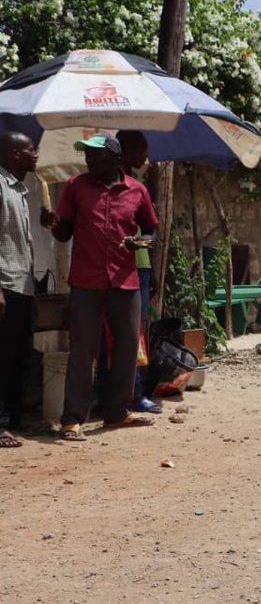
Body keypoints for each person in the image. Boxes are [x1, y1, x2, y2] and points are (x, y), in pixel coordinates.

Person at [46, 134, 158, 440]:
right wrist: (54, 223)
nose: (89, 160)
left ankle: (117, 412)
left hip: (125, 281)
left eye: (95, 155)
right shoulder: (76, 187)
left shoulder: (137, 190)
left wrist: (140, 242)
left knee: (125, 349)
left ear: (115, 158)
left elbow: (151, 230)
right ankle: (72, 419)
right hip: (86, 281)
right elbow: (64, 234)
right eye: (87, 155)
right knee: (82, 349)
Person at [95, 130, 160, 414]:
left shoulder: (138, 185)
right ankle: (125, 392)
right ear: (125, 151)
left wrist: (147, 258)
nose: (146, 156)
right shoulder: (107, 184)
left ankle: (129, 390)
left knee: (134, 334)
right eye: (142, 150)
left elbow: (150, 232)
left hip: (140, 266)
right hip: (115, 271)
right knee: (120, 334)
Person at [0, 131, 51, 449]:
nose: (36, 154)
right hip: (6, 284)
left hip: (23, 283)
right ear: (15, 154)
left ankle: (14, 418)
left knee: (19, 356)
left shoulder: (21, 188)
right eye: (31, 150)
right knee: (3, 358)